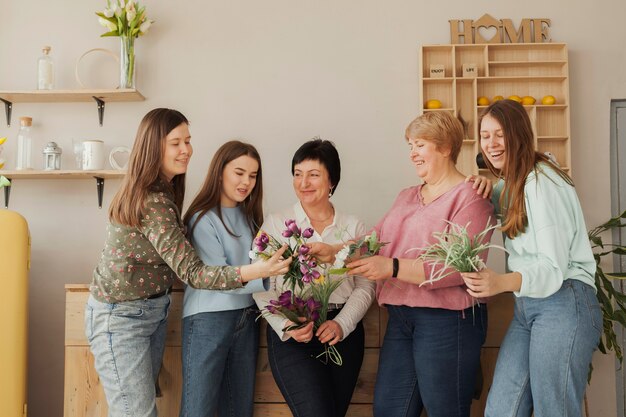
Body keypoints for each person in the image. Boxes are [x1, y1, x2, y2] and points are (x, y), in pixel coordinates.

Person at [85, 109, 290, 417]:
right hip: (121, 315)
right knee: (135, 413)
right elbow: (193, 272)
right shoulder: (153, 200)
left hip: (151, 311)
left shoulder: (165, 192)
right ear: (154, 146)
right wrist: (259, 271)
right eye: (175, 143)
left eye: (188, 141)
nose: (186, 150)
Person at [309, 111, 494, 417]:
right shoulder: (407, 196)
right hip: (402, 318)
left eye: (419, 144)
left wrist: (392, 267)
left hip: (448, 321)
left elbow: (458, 266)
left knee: (444, 410)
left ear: (446, 147)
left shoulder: (471, 197)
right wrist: (335, 252)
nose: (412, 153)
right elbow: (374, 241)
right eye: (410, 145)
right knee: (390, 410)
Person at [461, 99, 601, 417]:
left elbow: (552, 267)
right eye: (485, 135)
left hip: (564, 301)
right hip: (529, 308)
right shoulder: (512, 185)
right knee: (501, 410)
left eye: (500, 134)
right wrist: (487, 186)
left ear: (519, 134)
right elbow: (498, 204)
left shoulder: (542, 182)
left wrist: (499, 282)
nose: (492, 143)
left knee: (555, 410)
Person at [253, 139, 376, 417]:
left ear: (331, 180)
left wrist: (342, 324)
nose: (303, 182)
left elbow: (366, 284)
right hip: (294, 331)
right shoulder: (275, 223)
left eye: (313, 174)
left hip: (342, 333)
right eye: (298, 174)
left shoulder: (354, 226)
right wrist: (285, 325)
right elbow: (260, 285)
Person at [179, 140, 267, 417]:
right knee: (198, 410)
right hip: (208, 319)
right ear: (220, 172)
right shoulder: (201, 218)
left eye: (252, 176)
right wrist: (266, 274)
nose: (246, 182)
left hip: (247, 318)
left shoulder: (250, 217)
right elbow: (218, 276)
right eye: (239, 173)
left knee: (239, 409)